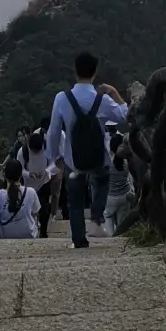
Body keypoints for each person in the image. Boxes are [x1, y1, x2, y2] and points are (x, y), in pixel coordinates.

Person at [45, 51, 128, 250]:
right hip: (99, 159)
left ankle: (79, 241)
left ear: (75, 72)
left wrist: (54, 157)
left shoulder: (62, 98)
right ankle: (97, 220)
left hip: (73, 161)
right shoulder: (101, 99)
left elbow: (54, 131)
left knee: (75, 202)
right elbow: (124, 116)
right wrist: (115, 93)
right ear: (95, 72)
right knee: (102, 179)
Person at [21, 129, 56, 238]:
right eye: (34, 151)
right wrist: (29, 174)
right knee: (28, 209)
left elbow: (53, 163)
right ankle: (29, 230)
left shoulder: (48, 149)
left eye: (38, 151)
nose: (36, 153)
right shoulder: (23, 152)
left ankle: (43, 231)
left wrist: (47, 171)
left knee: (44, 208)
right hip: (28, 185)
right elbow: (20, 169)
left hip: (43, 182)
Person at [0, 157, 40, 239]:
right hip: (29, 235)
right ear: (20, 175)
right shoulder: (31, 192)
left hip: (5, 235)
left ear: (5, 174)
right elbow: (35, 214)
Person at [104, 133, 135, 235]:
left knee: (108, 217)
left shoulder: (107, 163)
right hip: (124, 196)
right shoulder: (127, 162)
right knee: (121, 225)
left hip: (110, 197)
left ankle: (111, 239)